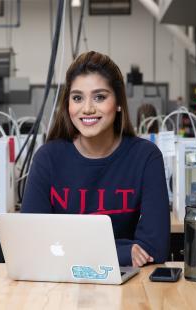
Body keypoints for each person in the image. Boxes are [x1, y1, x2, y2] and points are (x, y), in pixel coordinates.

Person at [21, 51, 170, 268]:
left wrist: (68, 249)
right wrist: (123, 251)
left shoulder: (146, 157)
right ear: (68, 105)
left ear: (118, 102)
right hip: (60, 286)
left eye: (99, 97)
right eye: (77, 98)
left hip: (127, 287)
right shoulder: (48, 158)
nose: (88, 108)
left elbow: (155, 248)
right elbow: (30, 244)